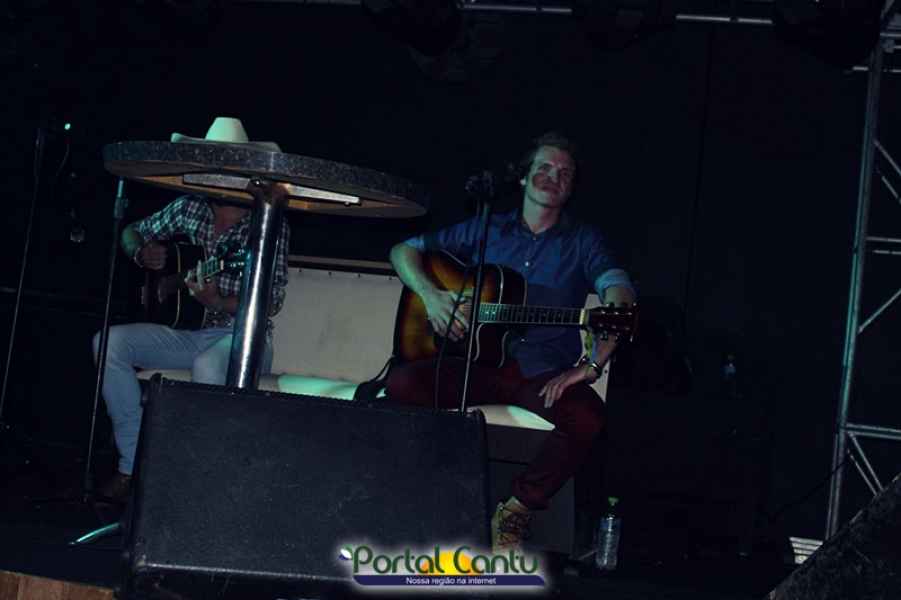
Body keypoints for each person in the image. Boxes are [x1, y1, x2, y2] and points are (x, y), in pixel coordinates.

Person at [385, 131, 636, 552]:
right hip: (475, 363)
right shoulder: (487, 228)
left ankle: (515, 511)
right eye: (544, 167)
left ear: (571, 188)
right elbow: (403, 250)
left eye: (564, 172)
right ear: (523, 177)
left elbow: (619, 294)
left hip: (540, 373)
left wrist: (592, 365)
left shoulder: (583, 241)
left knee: (588, 417)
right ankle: (424, 502)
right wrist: (433, 297)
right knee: (401, 385)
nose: (553, 176)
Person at [92, 118, 290, 502]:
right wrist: (140, 252)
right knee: (108, 343)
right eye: (215, 163)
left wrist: (216, 301)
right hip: (187, 331)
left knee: (207, 366)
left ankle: (195, 482)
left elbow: (272, 301)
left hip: (242, 337)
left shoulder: (268, 223)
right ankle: (132, 466)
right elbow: (133, 231)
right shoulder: (189, 207)